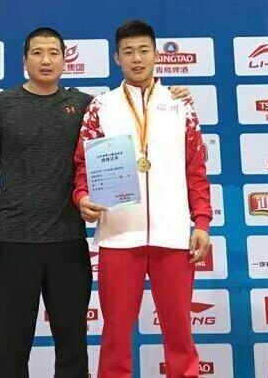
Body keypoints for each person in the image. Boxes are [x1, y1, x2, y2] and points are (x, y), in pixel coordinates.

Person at [0, 26, 193, 377]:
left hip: (69, 242)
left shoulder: (89, 106)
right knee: (12, 341)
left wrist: (175, 95)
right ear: (24, 60)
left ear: (65, 60)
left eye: (53, 53)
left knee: (72, 342)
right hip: (14, 240)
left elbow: (129, 115)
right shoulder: (3, 104)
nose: (46, 60)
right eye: (37, 53)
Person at [72, 19, 212, 378]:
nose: (137, 59)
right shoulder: (101, 107)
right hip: (119, 236)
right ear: (117, 57)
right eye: (129, 52)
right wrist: (82, 196)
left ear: (156, 54)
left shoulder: (179, 105)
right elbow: (84, 164)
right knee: (116, 334)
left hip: (172, 236)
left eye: (143, 51)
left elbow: (196, 169)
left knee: (179, 333)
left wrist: (201, 222)